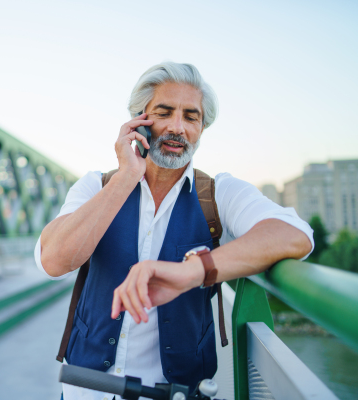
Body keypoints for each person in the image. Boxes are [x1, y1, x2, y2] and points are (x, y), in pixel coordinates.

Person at [35, 62, 313, 400]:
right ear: (140, 120)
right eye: (164, 113)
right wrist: (125, 178)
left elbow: (295, 233)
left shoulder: (218, 194)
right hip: (85, 392)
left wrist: (193, 271)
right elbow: (52, 260)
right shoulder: (97, 186)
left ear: (202, 128)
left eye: (191, 117)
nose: (177, 128)